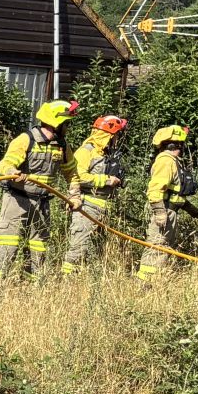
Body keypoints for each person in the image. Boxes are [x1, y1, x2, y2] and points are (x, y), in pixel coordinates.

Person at [0, 99, 82, 282]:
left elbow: (72, 173)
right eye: (67, 123)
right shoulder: (26, 140)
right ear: (57, 123)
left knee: (38, 247)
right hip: (18, 200)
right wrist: (12, 171)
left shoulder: (62, 146)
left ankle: (32, 285)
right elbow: (6, 163)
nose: (68, 128)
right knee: (8, 245)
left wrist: (75, 195)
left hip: (42, 203)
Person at [62, 114, 129, 276]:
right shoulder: (86, 151)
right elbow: (78, 176)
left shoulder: (106, 153)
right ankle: (66, 278)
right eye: (117, 135)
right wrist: (106, 180)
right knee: (78, 247)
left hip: (104, 209)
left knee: (95, 249)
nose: (118, 139)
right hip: (86, 207)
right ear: (110, 135)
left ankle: (87, 279)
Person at [137, 124, 198, 282]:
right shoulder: (166, 161)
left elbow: (173, 193)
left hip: (170, 211)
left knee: (163, 247)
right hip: (163, 211)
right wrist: (159, 212)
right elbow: (155, 189)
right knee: (157, 246)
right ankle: (144, 282)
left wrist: (189, 208)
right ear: (176, 145)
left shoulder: (173, 161)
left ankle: (154, 280)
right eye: (182, 144)